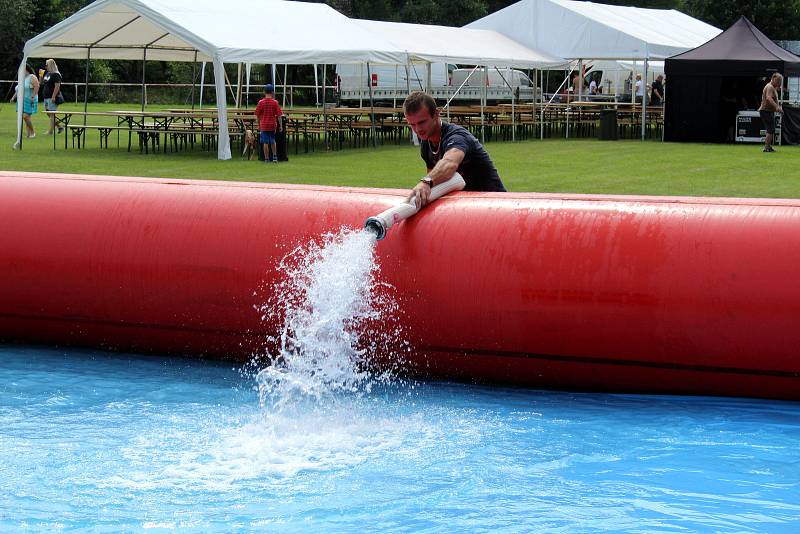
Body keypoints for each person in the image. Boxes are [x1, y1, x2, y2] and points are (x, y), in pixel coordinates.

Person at [403, 91, 506, 208]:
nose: (418, 129)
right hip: (467, 207)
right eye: (412, 124)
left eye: (422, 122)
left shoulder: (457, 136)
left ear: (436, 114)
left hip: (495, 204)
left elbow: (449, 164)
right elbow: (435, 183)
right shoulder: (426, 144)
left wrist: (426, 182)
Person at [254, 83, 283, 163]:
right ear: (272, 92)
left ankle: (266, 158)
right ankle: (274, 157)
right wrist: (280, 125)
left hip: (264, 125)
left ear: (264, 92)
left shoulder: (261, 102)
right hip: (272, 125)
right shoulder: (275, 102)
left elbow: (256, 114)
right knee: (273, 141)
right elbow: (279, 115)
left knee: (265, 142)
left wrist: (258, 124)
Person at [758, 73, 783, 152]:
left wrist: (777, 109)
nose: (779, 82)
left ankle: (768, 147)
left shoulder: (772, 87)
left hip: (768, 111)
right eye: (778, 80)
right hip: (766, 111)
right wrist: (777, 107)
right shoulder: (769, 87)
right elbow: (768, 98)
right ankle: (766, 147)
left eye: (780, 81)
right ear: (773, 79)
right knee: (770, 129)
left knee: (771, 129)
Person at [42, 59, 63, 135]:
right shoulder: (48, 73)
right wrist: (40, 76)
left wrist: (53, 96)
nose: (45, 66)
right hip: (46, 97)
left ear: (51, 65)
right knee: (48, 113)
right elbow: (41, 83)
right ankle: (60, 127)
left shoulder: (56, 74)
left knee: (51, 114)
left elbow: (57, 86)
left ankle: (50, 131)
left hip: (51, 97)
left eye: (47, 65)